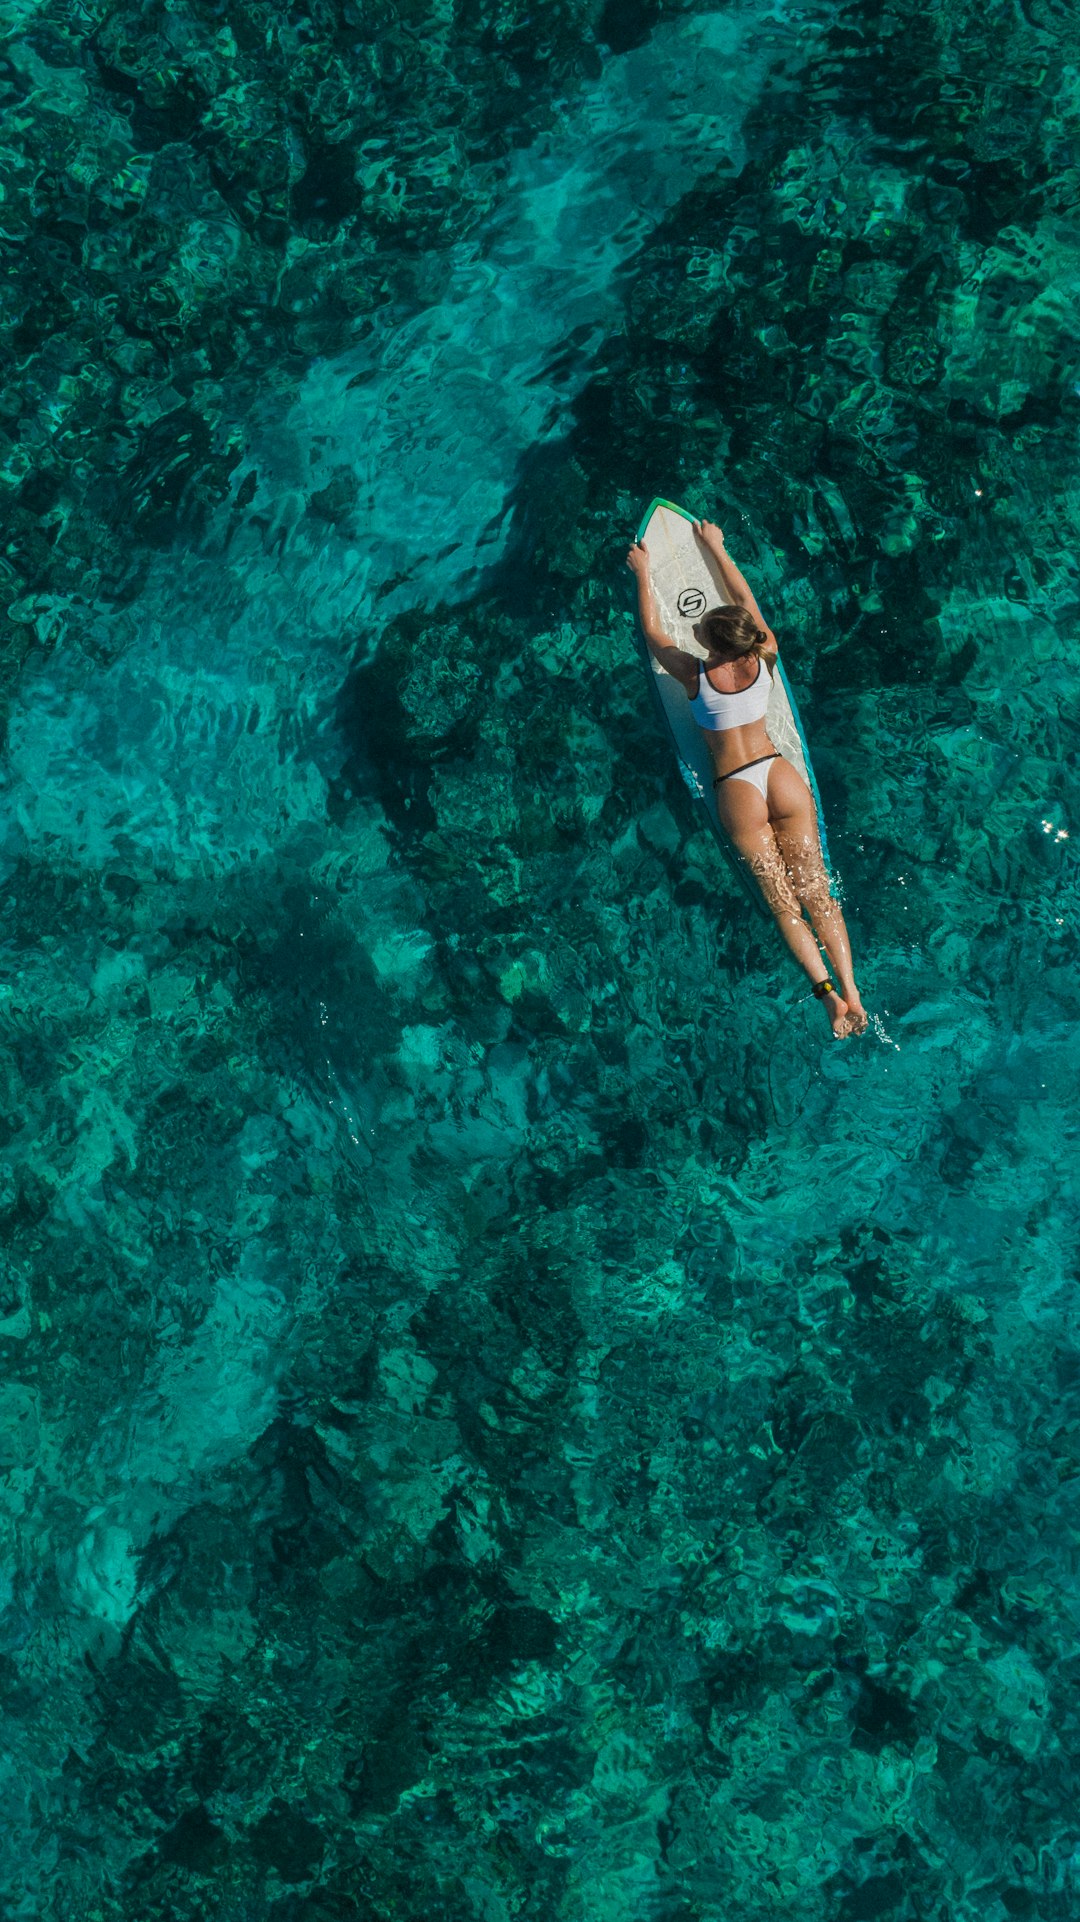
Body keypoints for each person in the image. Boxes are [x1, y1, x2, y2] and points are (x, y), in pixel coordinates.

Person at [627, 518, 867, 1038]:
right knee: (816, 891)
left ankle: (826, 997)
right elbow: (744, 597)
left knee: (782, 903)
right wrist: (717, 547)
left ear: (709, 644)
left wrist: (643, 573)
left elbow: (652, 634)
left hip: (737, 788)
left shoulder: (693, 673)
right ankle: (852, 989)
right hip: (780, 776)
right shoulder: (765, 652)